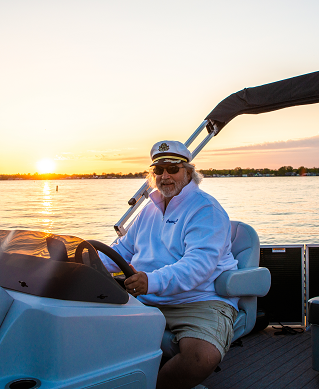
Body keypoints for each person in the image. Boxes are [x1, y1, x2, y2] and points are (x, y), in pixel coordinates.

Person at [100, 140, 239, 389]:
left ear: (188, 172)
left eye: (172, 169)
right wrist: (84, 260)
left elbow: (198, 266)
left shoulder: (206, 210)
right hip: (146, 297)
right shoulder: (148, 211)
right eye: (158, 170)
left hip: (199, 300)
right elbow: (121, 251)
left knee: (201, 356)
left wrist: (150, 281)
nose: (165, 176)